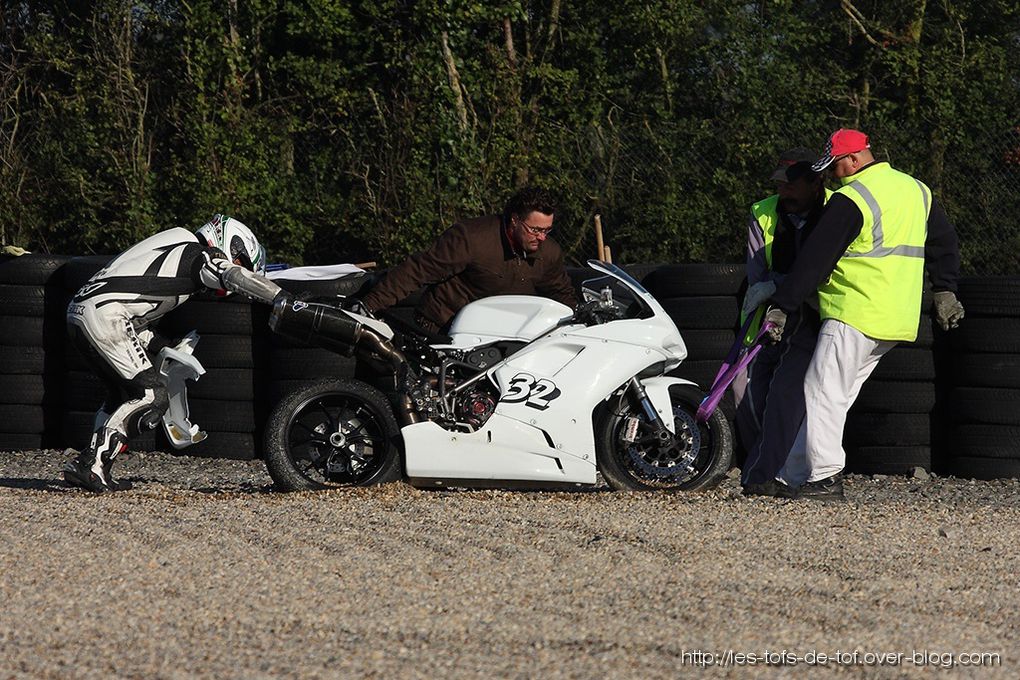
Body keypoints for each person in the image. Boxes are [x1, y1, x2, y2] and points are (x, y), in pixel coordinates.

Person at [763, 129, 964, 501]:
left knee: (821, 391)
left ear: (854, 159)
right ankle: (792, 475)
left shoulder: (851, 198)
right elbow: (944, 241)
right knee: (832, 394)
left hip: (854, 309)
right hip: (898, 316)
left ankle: (823, 478)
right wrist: (945, 288)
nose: (831, 176)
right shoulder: (917, 190)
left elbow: (813, 260)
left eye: (835, 166)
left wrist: (783, 305)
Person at [62, 215, 285, 492]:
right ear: (231, 244)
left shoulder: (174, 247)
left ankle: (92, 466)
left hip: (83, 310)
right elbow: (230, 275)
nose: (236, 267)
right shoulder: (198, 255)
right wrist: (281, 298)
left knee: (119, 395)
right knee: (152, 396)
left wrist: (165, 346)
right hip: (106, 315)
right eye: (241, 261)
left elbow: (133, 315)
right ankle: (90, 464)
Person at [734, 148, 832, 495]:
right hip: (767, 314)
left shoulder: (837, 209)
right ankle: (766, 463)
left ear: (816, 182)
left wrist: (784, 290)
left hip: (815, 316)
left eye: (792, 185)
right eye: (780, 184)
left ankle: (769, 473)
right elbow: (756, 272)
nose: (783, 191)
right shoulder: (763, 212)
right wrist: (770, 299)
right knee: (742, 392)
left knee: (786, 394)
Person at [356, 186, 577, 334]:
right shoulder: (471, 238)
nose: (541, 237)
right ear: (515, 220)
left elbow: (560, 292)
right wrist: (369, 307)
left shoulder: (549, 252)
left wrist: (578, 321)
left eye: (547, 230)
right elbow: (417, 271)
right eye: (535, 229)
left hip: (503, 332)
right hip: (443, 326)